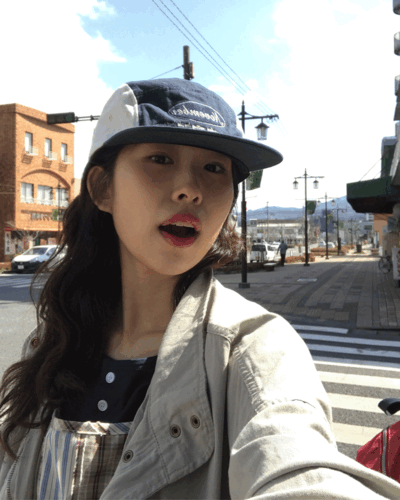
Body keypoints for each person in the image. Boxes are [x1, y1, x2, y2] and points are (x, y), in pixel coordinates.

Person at [1, 78, 400, 500]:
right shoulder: (55, 339)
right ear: (103, 188)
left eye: (214, 169)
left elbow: (297, 463)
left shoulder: (254, 346)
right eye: (160, 159)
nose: (190, 189)